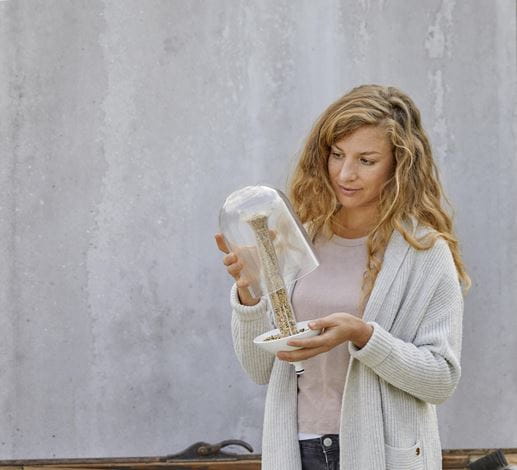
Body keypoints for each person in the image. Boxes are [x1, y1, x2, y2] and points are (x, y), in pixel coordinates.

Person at [214, 84, 470, 470]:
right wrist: (249, 293)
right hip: (298, 450)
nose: (346, 173)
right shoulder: (299, 239)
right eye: (337, 154)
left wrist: (363, 336)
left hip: (383, 454)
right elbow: (260, 369)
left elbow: (440, 379)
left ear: (399, 165)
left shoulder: (424, 253)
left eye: (366, 160)